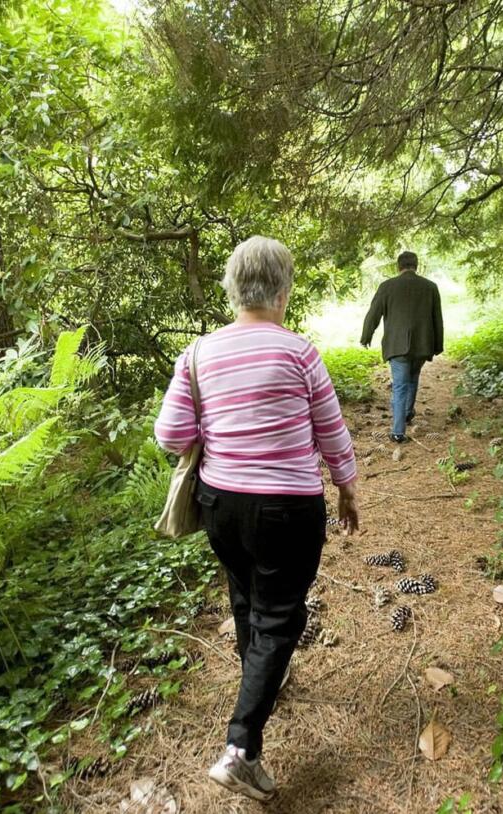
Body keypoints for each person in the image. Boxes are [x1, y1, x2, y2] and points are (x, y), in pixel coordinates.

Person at [155, 236, 360, 802]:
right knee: (280, 617)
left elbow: (171, 434)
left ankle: (260, 680)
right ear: (284, 290)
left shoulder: (198, 353)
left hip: (222, 504)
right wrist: (347, 489)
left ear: (232, 287)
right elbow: (331, 432)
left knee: (246, 598)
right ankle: (241, 750)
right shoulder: (299, 352)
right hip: (287, 508)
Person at [360, 250, 444, 442]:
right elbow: (437, 319)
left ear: (398, 267)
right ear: (417, 265)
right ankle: (406, 413)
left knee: (399, 386)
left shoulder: (387, 286)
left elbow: (373, 313)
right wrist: (437, 345)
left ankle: (398, 432)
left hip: (397, 346)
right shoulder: (430, 287)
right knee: (413, 378)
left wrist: (366, 336)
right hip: (422, 344)